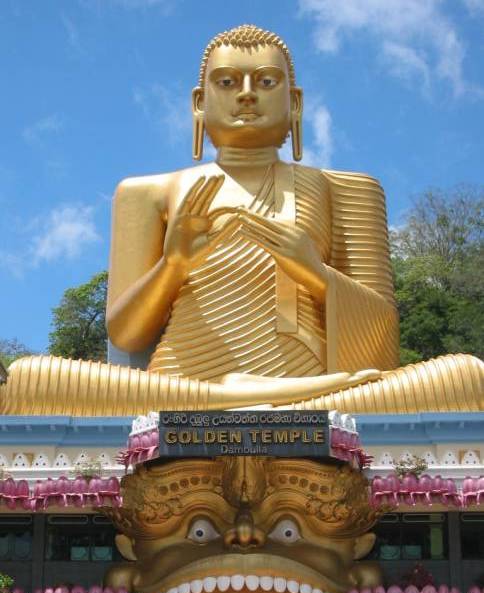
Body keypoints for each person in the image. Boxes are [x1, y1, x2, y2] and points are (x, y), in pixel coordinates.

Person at [1, 25, 482, 416]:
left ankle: (247, 402)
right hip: (177, 392)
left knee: (465, 377)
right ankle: (239, 402)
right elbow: (126, 335)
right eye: (228, 82)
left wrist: (315, 273)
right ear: (199, 101)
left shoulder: (346, 189)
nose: (247, 95)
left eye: (266, 82)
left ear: (294, 103)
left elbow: (379, 349)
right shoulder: (147, 193)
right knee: (30, 379)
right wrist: (172, 265)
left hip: (319, 392)